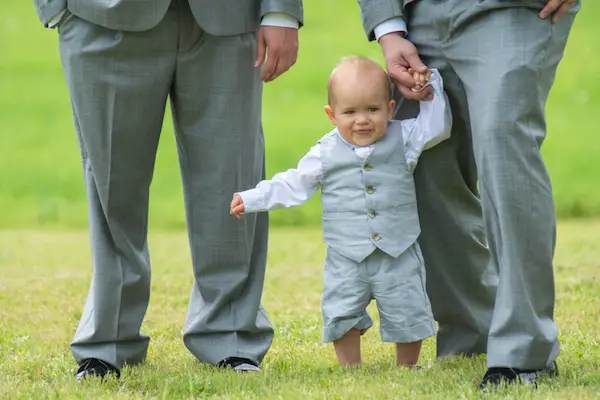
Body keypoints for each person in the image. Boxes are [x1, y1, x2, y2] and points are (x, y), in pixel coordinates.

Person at [33, 0, 303, 379]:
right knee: (113, 187)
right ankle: (108, 339)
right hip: (100, 15)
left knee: (232, 180)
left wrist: (281, 10)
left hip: (230, 19)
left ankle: (231, 334)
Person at [356, 0, 580, 389]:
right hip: (418, 13)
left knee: (502, 141)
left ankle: (524, 349)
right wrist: (387, 27)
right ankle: (472, 330)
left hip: (517, 9)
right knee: (425, 163)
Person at [230, 56, 452, 367]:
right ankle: (351, 368)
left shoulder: (404, 138)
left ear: (390, 109)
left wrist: (431, 86)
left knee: (407, 308)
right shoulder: (324, 152)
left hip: (398, 248)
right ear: (332, 115)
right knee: (342, 309)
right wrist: (253, 198)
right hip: (346, 254)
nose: (362, 120)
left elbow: (437, 126)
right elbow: (293, 183)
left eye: (372, 110)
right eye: (350, 112)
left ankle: (408, 367)